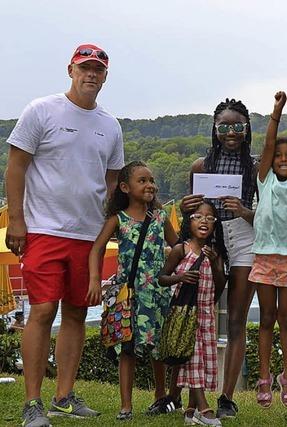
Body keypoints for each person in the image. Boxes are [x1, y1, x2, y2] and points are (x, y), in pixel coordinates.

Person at [5, 43, 124, 427]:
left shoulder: (111, 125)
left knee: (76, 312)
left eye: (98, 70)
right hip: (43, 228)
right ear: (70, 70)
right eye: (84, 68)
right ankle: (32, 403)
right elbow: (16, 167)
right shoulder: (41, 110)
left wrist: (106, 228)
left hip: (88, 236)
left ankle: (63, 396)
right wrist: (18, 221)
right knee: (41, 311)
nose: (91, 74)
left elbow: (111, 182)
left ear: (106, 77)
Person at [179, 98, 257, 419]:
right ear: (214, 128)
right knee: (198, 318)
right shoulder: (201, 166)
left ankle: (226, 396)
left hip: (244, 237)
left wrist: (245, 210)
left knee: (237, 318)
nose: (231, 132)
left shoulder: (254, 166)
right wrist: (186, 208)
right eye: (224, 126)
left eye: (238, 126)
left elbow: (266, 217)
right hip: (208, 236)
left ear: (247, 128)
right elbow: (191, 219)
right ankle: (191, 396)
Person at [87, 161, 179, 421]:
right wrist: (95, 280)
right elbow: (97, 249)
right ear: (125, 187)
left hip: (158, 293)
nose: (149, 184)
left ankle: (160, 397)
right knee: (127, 349)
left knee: (158, 346)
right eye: (143, 180)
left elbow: (179, 247)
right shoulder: (118, 219)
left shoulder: (160, 217)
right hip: (130, 295)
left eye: (151, 180)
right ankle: (126, 405)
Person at [250, 91, 287, 409]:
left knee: (286, 319)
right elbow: (269, 145)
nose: (284, 159)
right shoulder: (265, 179)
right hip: (264, 257)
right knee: (266, 319)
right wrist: (276, 111)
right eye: (278, 156)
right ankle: (263, 376)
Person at [159, 201, 226, 426]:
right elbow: (162, 278)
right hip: (186, 315)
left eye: (210, 217)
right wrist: (180, 277)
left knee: (203, 360)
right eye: (198, 216)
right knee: (193, 359)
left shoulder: (214, 253)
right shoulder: (181, 249)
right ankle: (205, 408)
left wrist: (216, 262)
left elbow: (219, 286)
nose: (204, 220)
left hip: (206, 315)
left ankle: (190, 409)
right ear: (189, 221)